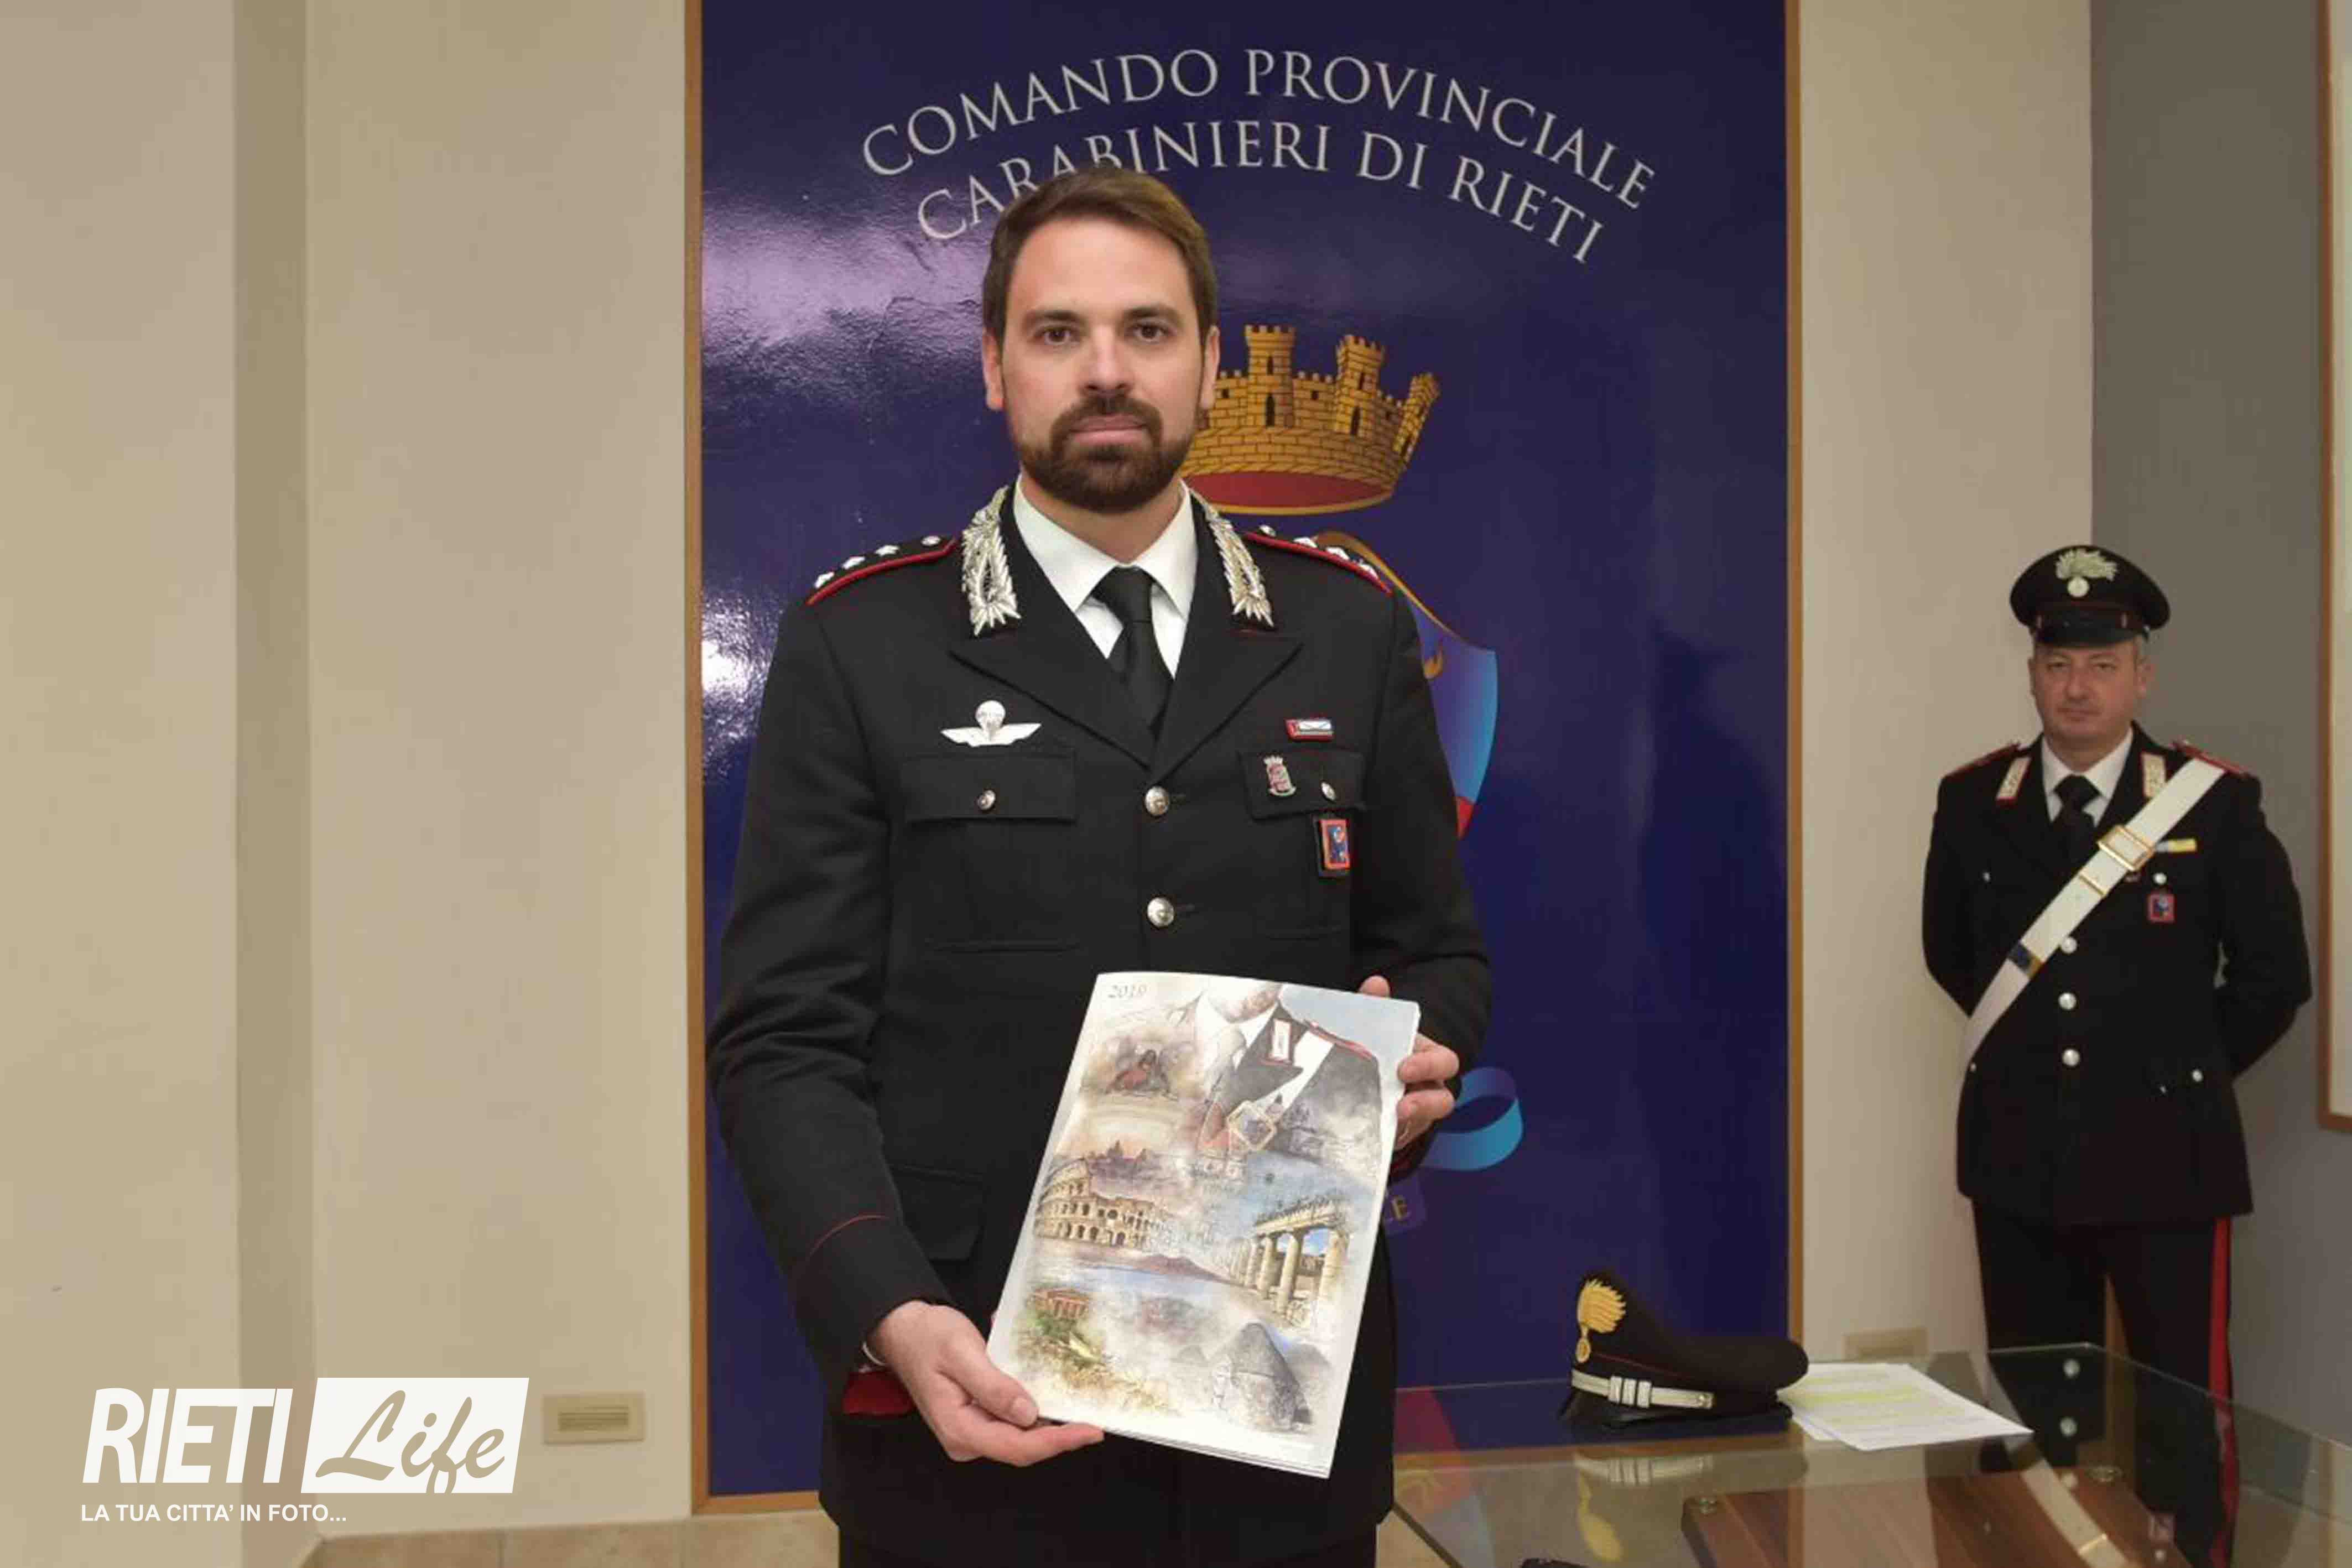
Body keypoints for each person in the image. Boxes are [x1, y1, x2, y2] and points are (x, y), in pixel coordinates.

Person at [709, 168, 1490, 1568]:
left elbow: (1433, 950)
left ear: (1208, 363)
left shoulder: (1343, 626)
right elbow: (783, 1039)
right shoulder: (864, 641)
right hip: (971, 1415)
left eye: (1147, 329)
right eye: (1058, 332)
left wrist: (1412, 1065)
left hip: (1272, 1429)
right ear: (992, 366)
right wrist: (885, 1307)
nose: (1106, 370)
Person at [1921, 545, 2309, 1560]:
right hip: (2020, 1154)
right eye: (2058, 664)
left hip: (2169, 1158)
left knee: (2183, 1412)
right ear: (2032, 673)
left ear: (2144, 675)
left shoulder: (2213, 804)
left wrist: (2173, 1078)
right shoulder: (1975, 803)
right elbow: (1953, 955)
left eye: (2103, 664)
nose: (2078, 687)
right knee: (2033, 1416)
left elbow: (2274, 979)